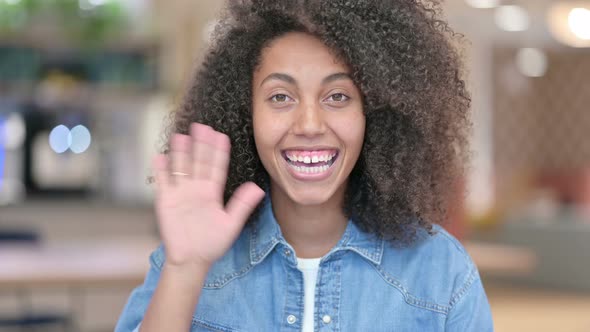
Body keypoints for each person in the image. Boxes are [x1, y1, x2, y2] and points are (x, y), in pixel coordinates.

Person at [116, 0, 493, 331]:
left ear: (374, 114)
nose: (309, 125)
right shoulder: (187, 259)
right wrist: (185, 270)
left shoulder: (442, 274)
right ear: (245, 114)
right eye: (280, 97)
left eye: (338, 96)